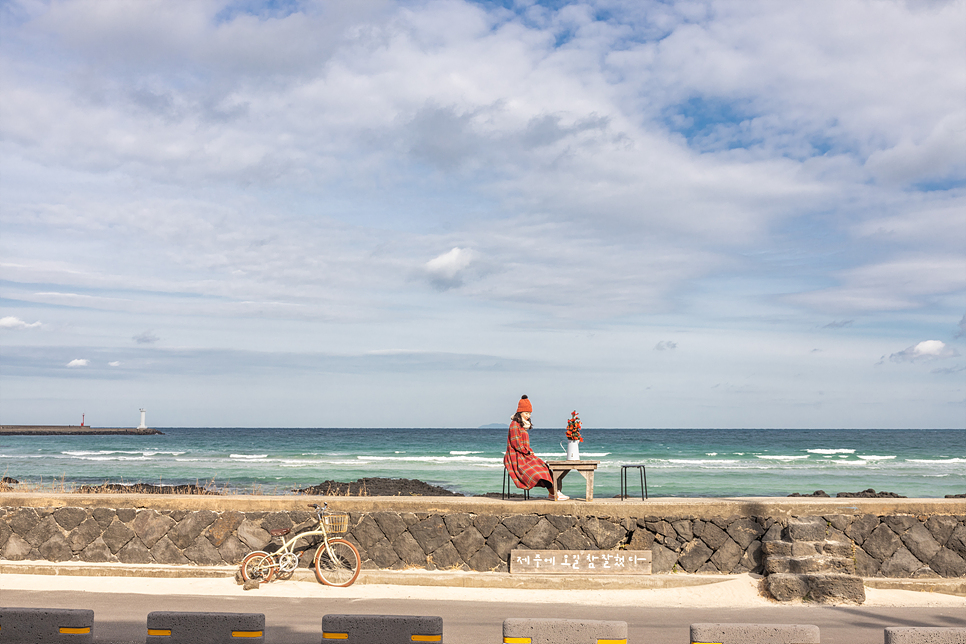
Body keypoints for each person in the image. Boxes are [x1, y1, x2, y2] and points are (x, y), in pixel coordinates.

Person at [503, 395, 569, 501]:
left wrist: (529, 452)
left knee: (544, 467)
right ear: (520, 412)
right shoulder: (514, 425)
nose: (528, 416)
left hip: (525, 454)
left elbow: (523, 445)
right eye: (526, 413)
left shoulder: (522, 425)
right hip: (516, 457)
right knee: (538, 472)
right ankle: (554, 493)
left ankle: (554, 493)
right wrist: (528, 452)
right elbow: (516, 444)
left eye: (529, 413)